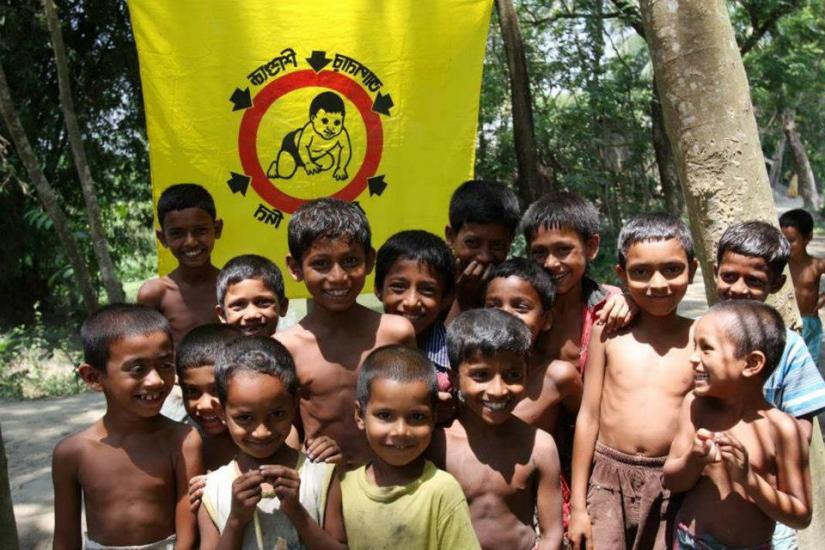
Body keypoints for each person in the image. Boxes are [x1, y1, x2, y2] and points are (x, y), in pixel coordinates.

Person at [569, 213, 698, 550]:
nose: (658, 284)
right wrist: (579, 508)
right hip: (608, 481)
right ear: (622, 275)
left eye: (672, 269)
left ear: (693, 270)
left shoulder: (701, 338)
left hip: (674, 484)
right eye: (641, 272)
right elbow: (589, 416)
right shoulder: (608, 331)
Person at [277, 198, 416, 469]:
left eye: (350, 261)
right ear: (295, 268)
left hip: (389, 480)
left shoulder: (395, 333)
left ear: (370, 260)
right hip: (321, 484)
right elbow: (285, 425)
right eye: (321, 264)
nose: (338, 276)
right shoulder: (286, 347)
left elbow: (415, 405)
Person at [52, 304, 203, 550]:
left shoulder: (183, 441)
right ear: (93, 377)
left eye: (165, 365)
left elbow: (188, 537)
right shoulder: (72, 453)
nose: (155, 380)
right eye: (137, 369)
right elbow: (65, 541)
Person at [664, 300, 812, 549]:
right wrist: (694, 458)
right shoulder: (696, 406)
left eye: (706, 349)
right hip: (690, 541)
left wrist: (749, 479)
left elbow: (801, 515)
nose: (692, 358)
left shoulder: (783, 430)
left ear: (752, 363)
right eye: (694, 347)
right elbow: (671, 481)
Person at [430, 308, 563, 550]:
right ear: (455, 377)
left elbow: (552, 534)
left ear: (527, 374)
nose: (498, 390)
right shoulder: (438, 443)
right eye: (481, 375)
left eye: (513, 375)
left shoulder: (539, 446)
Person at [198, 336, 345, 549]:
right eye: (245, 418)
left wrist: (296, 511)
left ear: (294, 404)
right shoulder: (213, 490)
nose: (262, 432)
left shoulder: (320, 476)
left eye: (277, 414)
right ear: (222, 413)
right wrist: (235, 522)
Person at [338, 344, 479, 549]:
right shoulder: (342, 488)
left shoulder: (441, 491)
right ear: (360, 415)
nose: (401, 431)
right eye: (385, 416)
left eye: (417, 417)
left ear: (434, 418)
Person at [519, 191, 625, 374]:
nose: (550, 263)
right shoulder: (517, 306)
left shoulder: (610, 307)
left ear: (591, 247)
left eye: (563, 250)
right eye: (539, 252)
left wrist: (631, 302)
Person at [482, 257, 582, 434]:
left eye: (520, 307)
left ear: (547, 320)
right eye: (493, 306)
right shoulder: (469, 371)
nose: (505, 315)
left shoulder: (559, 376)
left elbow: (588, 424)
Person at [138, 183, 223, 344]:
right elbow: (148, 350)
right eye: (177, 234)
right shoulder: (156, 294)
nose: (190, 242)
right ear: (163, 238)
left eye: (200, 230)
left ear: (217, 229)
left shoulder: (232, 286)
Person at [375, 230, 456, 373]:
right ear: (378, 289)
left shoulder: (458, 360)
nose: (411, 302)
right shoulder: (361, 351)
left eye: (427, 290)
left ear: (446, 297)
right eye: (398, 287)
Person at [444, 180, 521, 323]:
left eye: (497, 246)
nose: (484, 257)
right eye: (472, 243)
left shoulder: (516, 291)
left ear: (510, 242)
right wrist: (463, 302)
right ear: (451, 236)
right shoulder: (433, 286)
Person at [177, 324, 244, 472]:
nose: (205, 405)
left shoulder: (271, 436)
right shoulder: (182, 444)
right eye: (192, 391)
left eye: (217, 390)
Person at [779, 208, 825, 367]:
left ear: (808, 238)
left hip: (809, 324)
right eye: (782, 239)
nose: (786, 245)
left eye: (791, 240)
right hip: (783, 322)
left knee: (810, 365)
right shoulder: (779, 265)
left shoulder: (816, 265)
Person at [216, 254, 289, 338]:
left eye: (263, 302)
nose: (252, 315)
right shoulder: (217, 351)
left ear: (283, 306)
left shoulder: (293, 350)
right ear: (222, 314)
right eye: (238, 305)